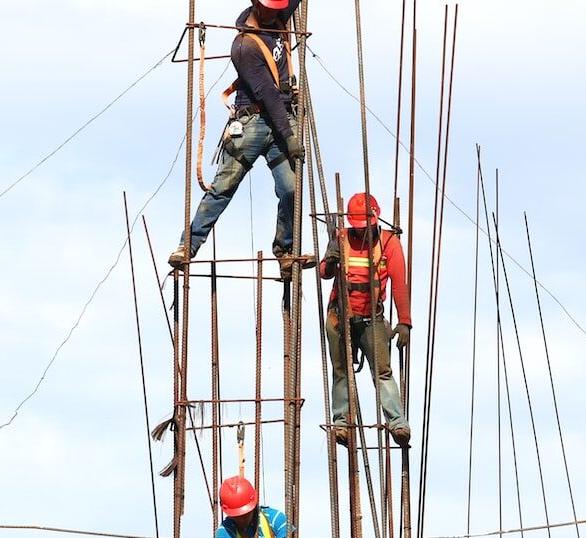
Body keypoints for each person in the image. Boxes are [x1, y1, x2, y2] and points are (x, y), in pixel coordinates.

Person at [167, 0, 308, 272]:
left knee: (291, 189)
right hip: (254, 121)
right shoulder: (244, 46)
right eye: (268, 8)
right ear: (255, 5)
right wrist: (290, 137)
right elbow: (268, 95)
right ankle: (188, 245)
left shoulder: (278, 16)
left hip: (280, 119)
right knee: (223, 188)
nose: (274, 12)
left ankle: (285, 249)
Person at [319, 192, 412, 445]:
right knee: (341, 371)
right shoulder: (341, 238)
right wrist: (330, 260)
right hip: (340, 317)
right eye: (359, 228)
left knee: (382, 372)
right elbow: (324, 273)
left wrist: (404, 321)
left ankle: (397, 422)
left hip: (372, 320)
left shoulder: (388, 242)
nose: (362, 232)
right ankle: (341, 423)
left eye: (366, 227)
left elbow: (399, 284)